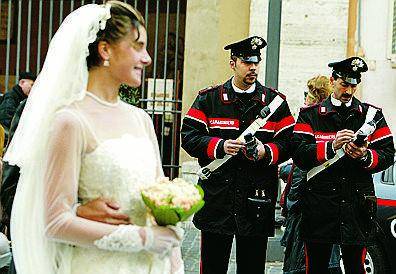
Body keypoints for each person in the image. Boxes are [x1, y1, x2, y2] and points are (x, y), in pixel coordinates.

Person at [4, 2, 184, 274]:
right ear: (105, 50)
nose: (147, 58)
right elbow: (55, 223)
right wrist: (142, 239)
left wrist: (173, 261)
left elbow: (160, 199)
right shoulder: (71, 121)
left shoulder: (141, 120)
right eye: (137, 46)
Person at [181, 36, 295, 274]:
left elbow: (290, 142)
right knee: (212, 267)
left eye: (256, 62)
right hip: (217, 198)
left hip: (256, 199)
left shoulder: (275, 103)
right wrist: (219, 145)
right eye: (246, 62)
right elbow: (188, 136)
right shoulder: (209, 99)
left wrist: (266, 151)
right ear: (233, 63)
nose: (253, 67)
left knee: (252, 267)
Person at [292, 57, 395, 274]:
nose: (349, 90)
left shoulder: (371, 116)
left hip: (357, 206)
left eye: (353, 85)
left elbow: (387, 153)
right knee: (316, 268)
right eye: (344, 84)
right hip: (319, 206)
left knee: (355, 267)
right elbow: (299, 154)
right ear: (333, 80)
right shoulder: (310, 115)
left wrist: (365, 155)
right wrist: (331, 146)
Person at [280, 75, 342, 274]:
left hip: (304, 214)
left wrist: (290, 206)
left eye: (307, 94)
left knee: (301, 265)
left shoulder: (310, 123)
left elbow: (300, 174)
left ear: (314, 97)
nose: (304, 98)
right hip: (322, 210)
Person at [0, 72, 36, 144]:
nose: (33, 89)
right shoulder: (11, 97)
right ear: (22, 82)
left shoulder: (24, 98)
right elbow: (6, 121)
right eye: (31, 85)